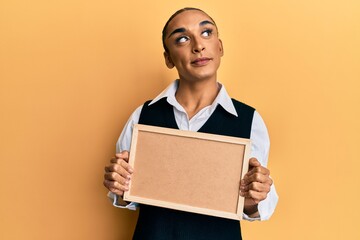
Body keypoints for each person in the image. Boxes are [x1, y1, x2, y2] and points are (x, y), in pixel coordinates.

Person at [103, 7, 278, 239]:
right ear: (168, 58)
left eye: (206, 33)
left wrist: (253, 198)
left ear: (220, 47)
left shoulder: (249, 121)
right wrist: (119, 183)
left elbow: (255, 208)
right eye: (182, 38)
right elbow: (129, 196)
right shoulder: (142, 117)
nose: (198, 45)